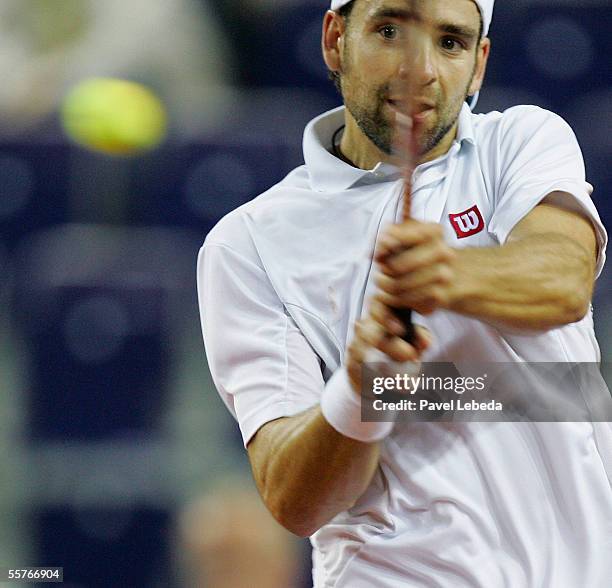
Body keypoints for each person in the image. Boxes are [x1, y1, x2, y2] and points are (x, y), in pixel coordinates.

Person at [197, 0, 612, 586]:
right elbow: (293, 498)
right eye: (390, 30)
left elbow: (564, 278)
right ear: (336, 39)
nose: (420, 69)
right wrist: (361, 390)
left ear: (478, 66)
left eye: (450, 42)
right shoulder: (247, 244)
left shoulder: (521, 142)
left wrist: (444, 276)